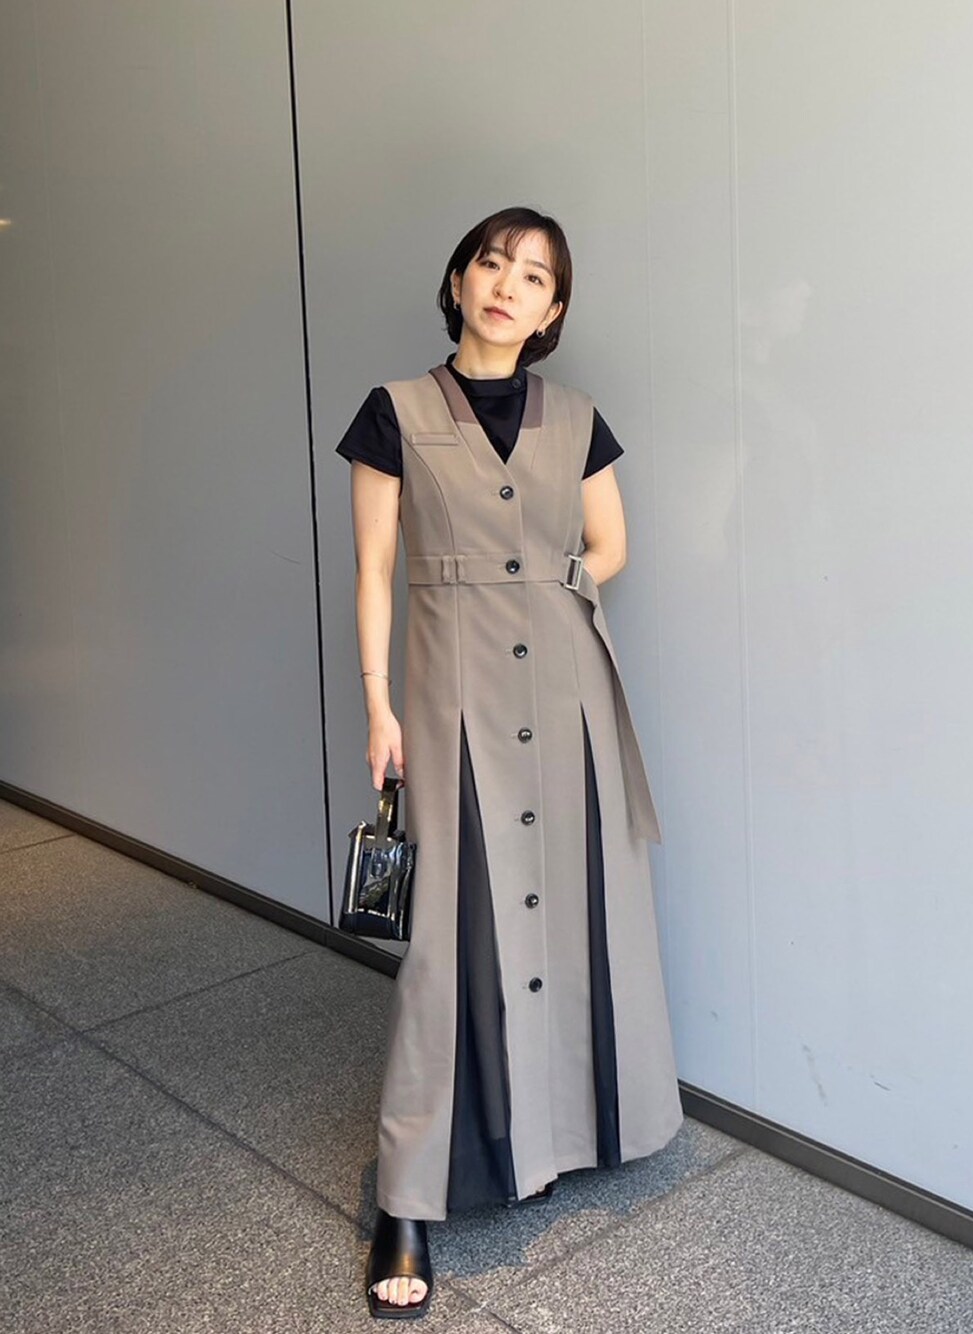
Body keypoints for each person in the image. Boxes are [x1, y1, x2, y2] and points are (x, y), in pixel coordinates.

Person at [336, 206, 683, 1319]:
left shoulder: (576, 418)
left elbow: (612, 544)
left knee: (580, 908)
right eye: (492, 263)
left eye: (533, 276)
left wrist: (554, 581)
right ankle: (407, 1196)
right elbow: (373, 571)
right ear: (458, 279)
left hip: (566, 691)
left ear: (552, 310)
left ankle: (569, 1130)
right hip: (447, 696)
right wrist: (379, 703)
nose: (506, 285)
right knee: (446, 939)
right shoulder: (393, 412)